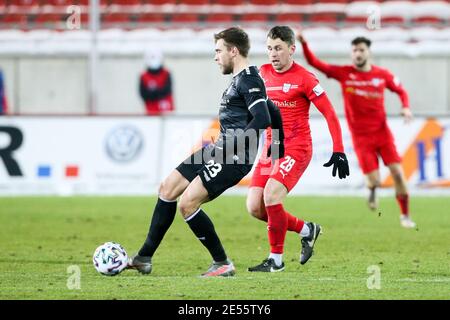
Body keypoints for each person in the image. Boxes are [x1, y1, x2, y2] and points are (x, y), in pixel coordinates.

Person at [128, 27, 285, 277]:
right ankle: (144, 257)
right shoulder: (242, 79)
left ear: (233, 51)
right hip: (217, 149)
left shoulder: (249, 79)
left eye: (218, 51)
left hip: (233, 158)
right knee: (167, 188)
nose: (216, 57)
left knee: (187, 204)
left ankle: (222, 263)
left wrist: (262, 149)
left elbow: (263, 117)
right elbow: (274, 111)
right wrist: (277, 149)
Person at [247, 26, 350, 273]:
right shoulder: (261, 74)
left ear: (292, 49)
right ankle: (307, 230)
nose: (273, 54)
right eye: (270, 48)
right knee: (255, 207)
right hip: (270, 148)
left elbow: (330, 113)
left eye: (278, 48)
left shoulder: (305, 78)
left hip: (296, 148)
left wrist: (339, 149)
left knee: (271, 196)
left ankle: (276, 260)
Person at [298, 32, 416, 228]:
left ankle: (405, 216)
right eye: (354, 50)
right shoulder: (344, 73)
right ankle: (371, 190)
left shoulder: (382, 75)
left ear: (368, 52)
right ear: (351, 54)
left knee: (397, 172)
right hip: (361, 138)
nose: (358, 54)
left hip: (382, 133)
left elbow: (401, 90)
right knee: (375, 181)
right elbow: (315, 63)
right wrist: (304, 43)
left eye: (361, 50)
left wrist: (405, 107)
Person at [139, 49, 174, 115]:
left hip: (167, 113)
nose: (154, 60)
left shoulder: (166, 73)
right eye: (151, 57)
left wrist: (153, 92)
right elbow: (144, 94)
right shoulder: (143, 76)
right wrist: (158, 92)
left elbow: (167, 90)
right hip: (151, 113)